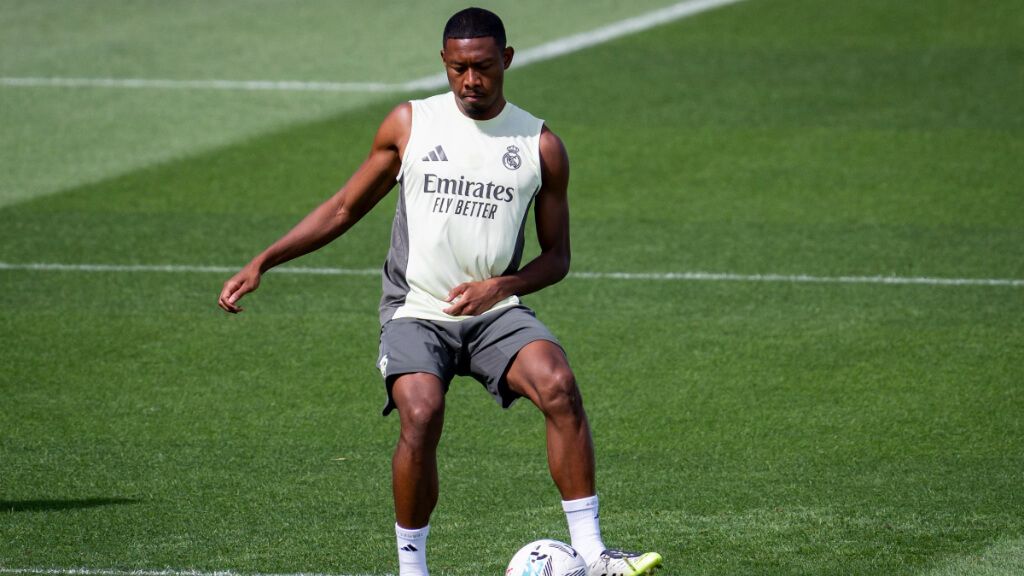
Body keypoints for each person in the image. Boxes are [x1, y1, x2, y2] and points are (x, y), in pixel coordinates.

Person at [218, 7, 662, 576]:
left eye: (482, 67)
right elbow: (344, 207)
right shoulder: (410, 124)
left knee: (558, 383)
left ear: (507, 60)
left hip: (495, 311)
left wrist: (501, 286)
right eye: (457, 69)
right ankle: (412, 569)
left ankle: (595, 554)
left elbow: (558, 258)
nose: (470, 81)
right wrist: (265, 261)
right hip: (416, 311)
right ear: (444, 64)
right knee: (422, 413)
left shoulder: (540, 144)